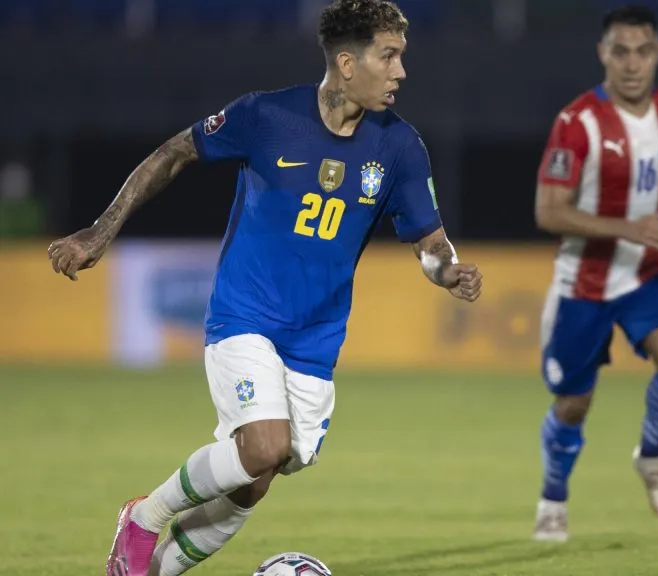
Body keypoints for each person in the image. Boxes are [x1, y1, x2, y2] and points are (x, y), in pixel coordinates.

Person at [47, 1, 483, 574]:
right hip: (244, 315)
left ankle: (153, 571)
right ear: (348, 64)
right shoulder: (266, 116)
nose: (401, 71)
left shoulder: (399, 147)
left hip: (316, 340)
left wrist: (447, 270)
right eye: (390, 55)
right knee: (264, 448)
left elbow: (430, 242)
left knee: (256, 479)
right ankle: (144, 517)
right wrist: (102, 230)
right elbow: (175, 152)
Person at [531, 4, 658, 542]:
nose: (632, 63)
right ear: (603, 53)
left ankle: (651, 456)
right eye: (621, 51)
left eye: (643, 51)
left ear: (657, 53)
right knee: (573, 402)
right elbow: (548, 211)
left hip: (648, 272)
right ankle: (553, 498)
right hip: (583, 281)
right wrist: (625, 227)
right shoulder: (578, 122)